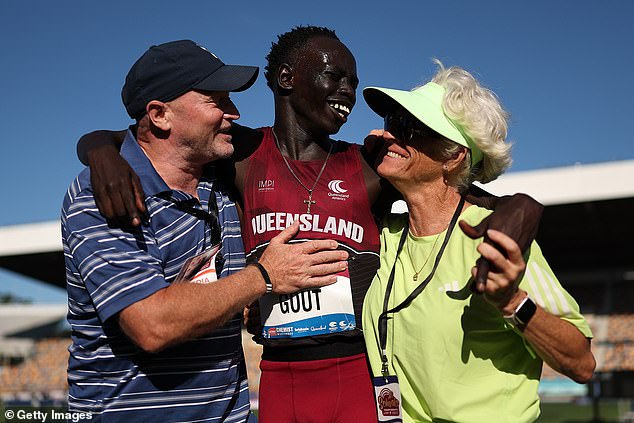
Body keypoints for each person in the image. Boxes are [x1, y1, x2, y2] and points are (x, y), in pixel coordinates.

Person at [76, 27, 543, 422]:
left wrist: (523, 204)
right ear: (286, 78)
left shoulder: (367, 163)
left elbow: (454, 188)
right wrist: (100, 150)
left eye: (353, 83)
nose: (347, 91)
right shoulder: (239, 152)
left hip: (359, 370)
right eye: (333, 76)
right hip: (279, 373)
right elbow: (154, 133)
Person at [62, 39, 349, 423]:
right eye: (217, 100)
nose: (234, 113)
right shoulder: (103, 194)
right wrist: (264, 277)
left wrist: (98, 143)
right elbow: (152, 325)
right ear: (161, 114)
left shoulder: (222, 178)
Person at [361, 61, 596, 422]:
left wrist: (511, 301)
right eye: (393, 122)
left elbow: (581, 362)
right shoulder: (383, 235)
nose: (389, 135)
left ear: (454, 156)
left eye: (410, 128)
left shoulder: (494, 237)